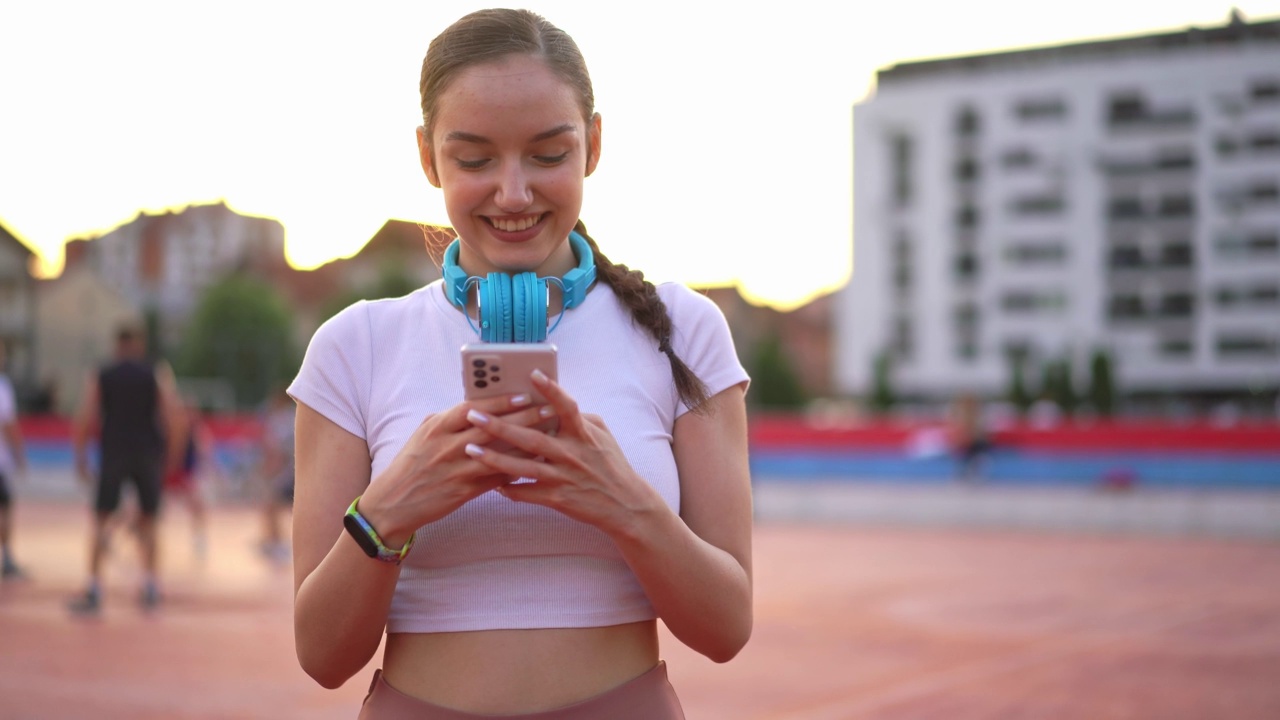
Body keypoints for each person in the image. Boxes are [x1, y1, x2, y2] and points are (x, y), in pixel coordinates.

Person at [288, 9, 753, 718]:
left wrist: (625, 503)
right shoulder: (354, 345)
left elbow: (725, 630)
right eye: (474, 160)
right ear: (427, 156)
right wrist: (390, 511)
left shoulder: (685, 331)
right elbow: (322, 658)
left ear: (593, 143)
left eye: (548, 154)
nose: (512, 193)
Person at [70, 324, 186, 614]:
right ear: (138, 344)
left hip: (114, 452)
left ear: (117, 345)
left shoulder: (103, 373)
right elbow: (172, 414)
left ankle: (95, 586)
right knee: (149, 520)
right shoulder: (155, 373)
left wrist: (81, 456)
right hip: (146, 452)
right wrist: (172, 457)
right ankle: (150, 584)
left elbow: (86, 414)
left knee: (101, 518)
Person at [163, 397, 212, 561]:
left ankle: (200, 540)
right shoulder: (178, 426)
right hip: (176, 473)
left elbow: (203, 449)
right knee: (144, 509)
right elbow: (176, 451)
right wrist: (172, 469)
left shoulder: (194, 428)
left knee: (197, 507)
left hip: (181, 474)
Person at [0, 343, 29, 580]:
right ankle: (6, 557)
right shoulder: (2, 387)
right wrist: (19, 454)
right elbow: (8, 424)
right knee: (5, 509)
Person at [258, 385, 295, 564]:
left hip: (286, 471)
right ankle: (274, 542)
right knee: (272, 506)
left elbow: (277, 451)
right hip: (289, 470)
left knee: (272, 505)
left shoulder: (282, 420)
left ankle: (277, 544)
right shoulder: (286, 418)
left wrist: (271, 470)